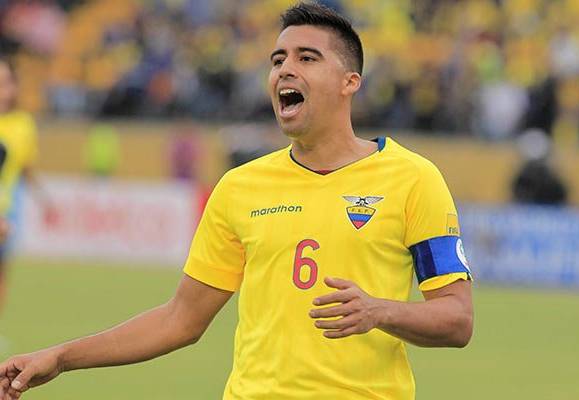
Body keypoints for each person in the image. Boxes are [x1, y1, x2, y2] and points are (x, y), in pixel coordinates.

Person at [0, 3, 473, 399]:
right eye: (277, 59)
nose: (285, 69)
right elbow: (179, 320)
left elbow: (456, 319)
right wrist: (62, 357)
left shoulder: (413, 178)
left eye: (307, 58)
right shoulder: (240, 187)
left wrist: (381, 310)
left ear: (350, 81)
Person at [0, 57, 55, 316]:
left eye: (5, 83)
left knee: (2, 273)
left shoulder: (23, 124)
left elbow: (26, 169)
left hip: (6, 212)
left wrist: (44, 200)